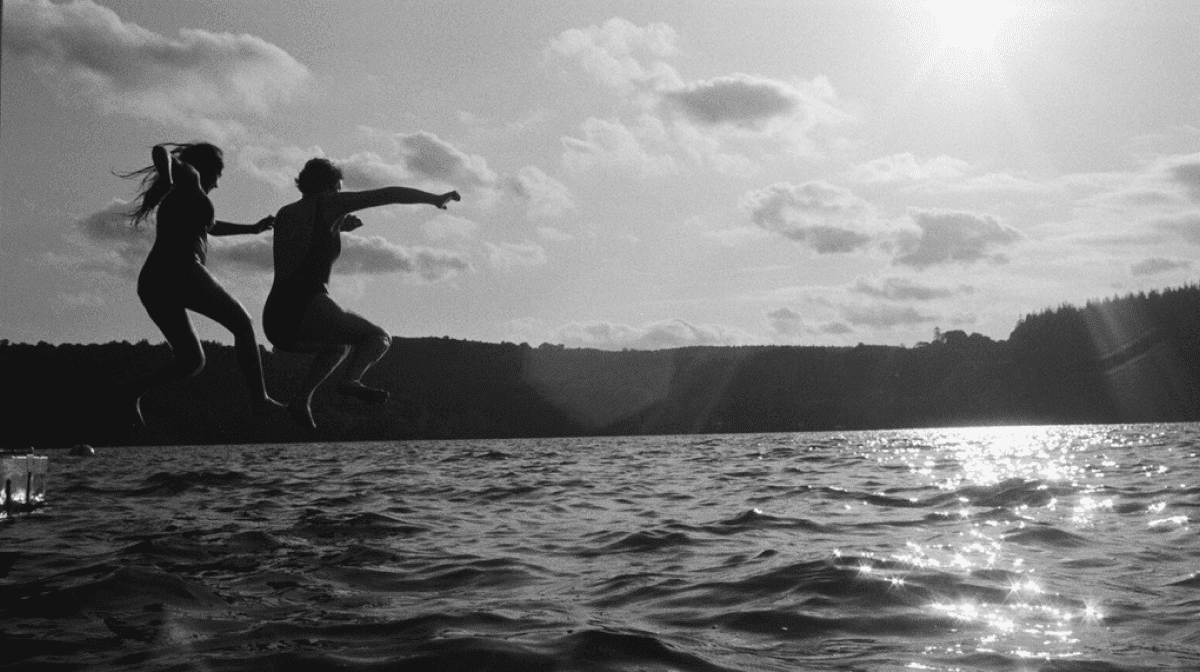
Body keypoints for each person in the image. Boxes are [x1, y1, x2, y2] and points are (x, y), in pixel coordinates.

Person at [264, 157, 459, 428]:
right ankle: (351, 380)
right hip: (307, 303)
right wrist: (433, 198)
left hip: (275, 319)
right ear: (332, 187)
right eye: (339, 188)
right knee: (377, 338)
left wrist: (339, 225)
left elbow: (305, 241)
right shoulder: (329, 203)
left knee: (338, 347)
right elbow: (389, 195)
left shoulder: (286, 213)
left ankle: (301, 400)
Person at [120, 142, 282, 427]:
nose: (218, 183)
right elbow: (160, 151)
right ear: (210, 169)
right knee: (242, 323)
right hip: (180, 271)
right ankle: (261, 398)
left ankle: (132, 392)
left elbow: (211, 226)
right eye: (219, 174)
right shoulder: (190, 178)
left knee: (191, 361)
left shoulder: (191, 195)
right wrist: (170, 176)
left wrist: (252, 229)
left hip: (153, 282)